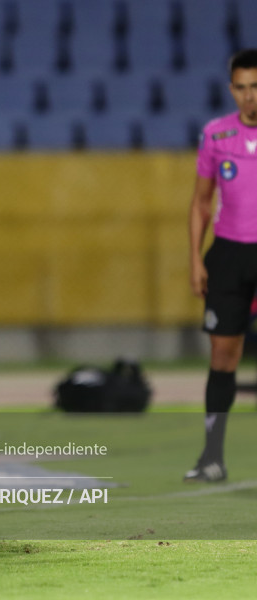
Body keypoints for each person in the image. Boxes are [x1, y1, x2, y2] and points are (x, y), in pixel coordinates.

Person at [186, 48, 257, 483]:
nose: (250, 96)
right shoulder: (215, 135)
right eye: (243, 87)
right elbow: (200, 202)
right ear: (232, 90)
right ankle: (212, 455)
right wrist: (195, 258)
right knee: (223, 355)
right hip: (229, 255)